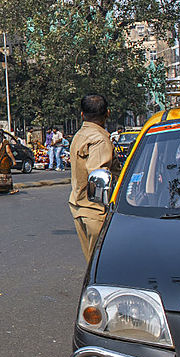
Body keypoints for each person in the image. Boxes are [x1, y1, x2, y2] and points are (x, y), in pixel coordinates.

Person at [68, 94, 122, 262]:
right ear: (108, 113)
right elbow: (98, 177)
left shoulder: (80, 135)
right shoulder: (99, 139)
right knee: (102, 265)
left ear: (82, 114)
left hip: (80, 206)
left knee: (93, 264)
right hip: (95, 211)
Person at [0, 129, 18, 195]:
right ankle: (10, 189)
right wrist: (13, 160)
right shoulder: (5, 142)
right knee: (6, 175)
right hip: (3, 161)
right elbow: (8, 152)